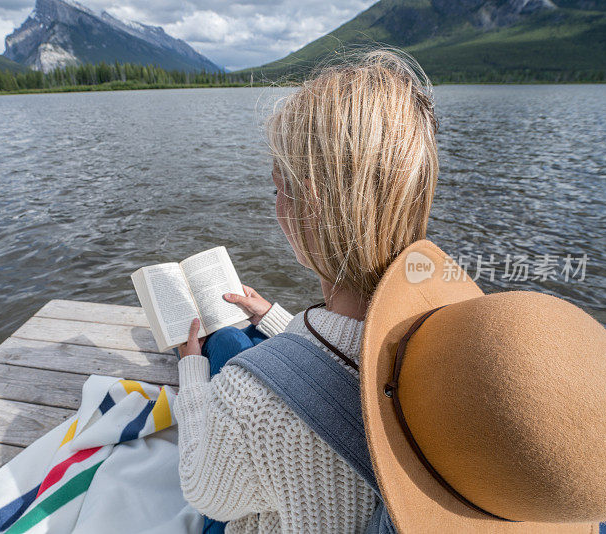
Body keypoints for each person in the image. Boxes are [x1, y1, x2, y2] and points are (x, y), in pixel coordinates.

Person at [172, 48, 439, 533]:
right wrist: (275, 317)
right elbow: (352, 351)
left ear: (309, 207)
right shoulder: (456, 335)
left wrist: (190, 376)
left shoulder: (248, 402)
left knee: (224, 349)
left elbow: (199, 485)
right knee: (233, 342)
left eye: (279, 187)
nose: (276, 204)